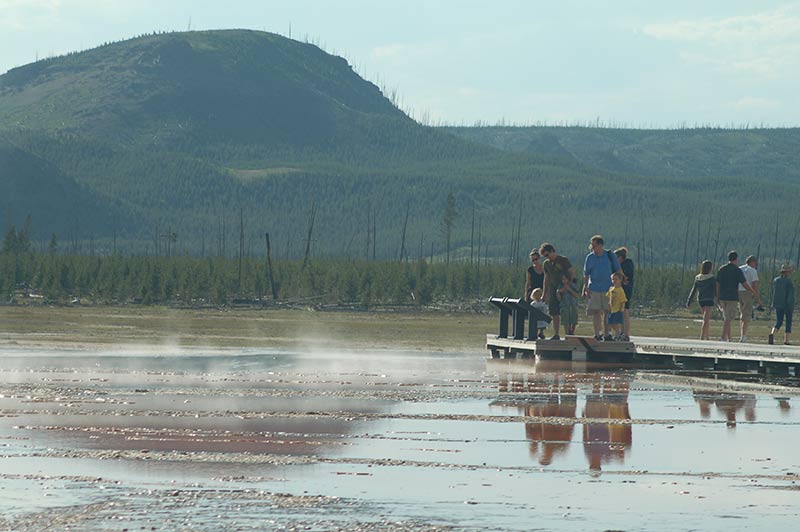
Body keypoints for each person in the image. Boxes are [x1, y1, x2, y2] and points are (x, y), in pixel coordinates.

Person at [583, 235, 619, 341]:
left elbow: (617, 269)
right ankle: (597, 334)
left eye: (594, 245)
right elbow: (586, 274)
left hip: (608, 288)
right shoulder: (590, 257)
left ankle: (607, 334)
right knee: (596, 312)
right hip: (594, 287)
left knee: (608, 312)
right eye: (591, 245)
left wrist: (618, 287)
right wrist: (585, 287)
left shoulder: (609, 255)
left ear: (600, 245)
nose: (592, 247)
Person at [716, 251, 754, 342]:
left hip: (722, 296)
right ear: (736, 259)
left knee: (726, 317)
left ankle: (729, 338)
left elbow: (717, 283)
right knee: (729, 317)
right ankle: (723, 337)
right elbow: (744, 283)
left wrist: (717, 296)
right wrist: (752, 291)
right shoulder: (737, 270)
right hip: (732, 297)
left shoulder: (722, 269)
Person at [540, 242, 575, 340]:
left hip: (565, 288)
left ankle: (568, 334)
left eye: (547, 255)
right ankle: (556, 334)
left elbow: (572, 273)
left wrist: (567, 286)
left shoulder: (563, 260)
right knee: (554, 312)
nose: (547, 257)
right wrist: (544, 293)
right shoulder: (546, 264)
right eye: (544, 256)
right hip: (553, 289)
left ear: (552, 251)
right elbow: (546, 278)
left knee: (566, 311)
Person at [686, 260, 716, 340]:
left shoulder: (698, 278)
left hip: (701, 300)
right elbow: (715, 290)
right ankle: (702, 337)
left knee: (706, 318)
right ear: (709, 268)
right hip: (709, 299)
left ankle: (707, 336)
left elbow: (693, 290)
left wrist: (689, 301)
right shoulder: (712, 278)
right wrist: (718, 299)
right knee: (706, 319)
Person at [737, 255, 764, 343]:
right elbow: (754, 286)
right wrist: (758, 300)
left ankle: (742, 334)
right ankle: (743, 336)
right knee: (746, 315)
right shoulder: (753, 271)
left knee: (742, 314)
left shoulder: (739, 268)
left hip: (738, 292)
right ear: (753, 262)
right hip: (747, 292)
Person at [769, 264, 795, 345]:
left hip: (777, 304)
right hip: (787, 305)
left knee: (779, 321)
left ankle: (772, 333)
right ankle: (786, 340)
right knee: (788, 322)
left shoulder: (776, 280)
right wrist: (791, 304)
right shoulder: (789, 282)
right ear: (787, 273)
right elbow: (790, 295)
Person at [615, 247, 634, 341]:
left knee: (625, 312)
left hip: (625, 291)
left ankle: (626, 334)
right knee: (620, 313)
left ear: (620, 257)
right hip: (619, 291)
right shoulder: (620, 265)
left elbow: (626, 278)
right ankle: (621, 333)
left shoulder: (627, 264)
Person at [607, 272, 628, 340]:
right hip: (611, 309)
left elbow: (623, 300)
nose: (614, 281)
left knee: (616, 324)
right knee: (609, 323)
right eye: (613, 279)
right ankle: (609, 334)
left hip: (617, 310)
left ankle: (618, 334)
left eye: (616, 279)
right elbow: (609, 298)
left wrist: (621, 309)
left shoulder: (620, 290)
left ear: (620, 280)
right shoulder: (611, 289)